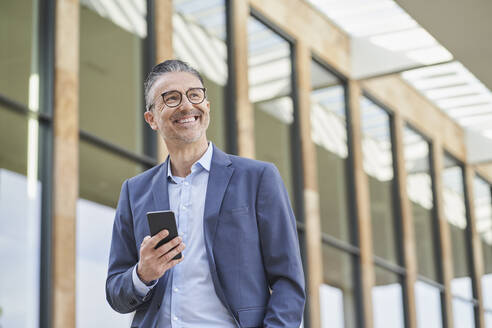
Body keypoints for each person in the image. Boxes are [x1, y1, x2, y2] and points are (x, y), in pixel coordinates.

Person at [106, 59, 305, 328]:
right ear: (151, 118)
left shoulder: (258, 178)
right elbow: (116, 291)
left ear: (207, 107)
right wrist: (142, 275)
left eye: (195, 95)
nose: (187, 105)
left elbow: (288, 282)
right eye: (171, 98)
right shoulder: (134, 191)